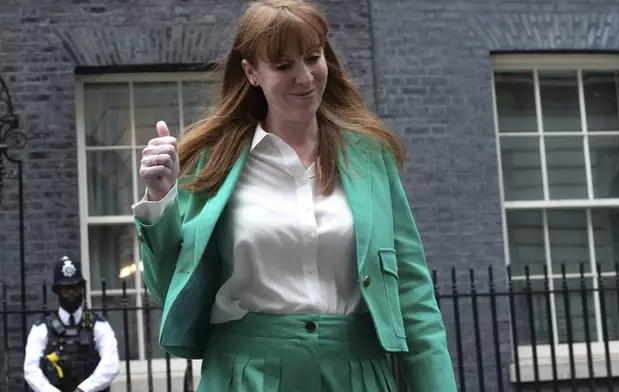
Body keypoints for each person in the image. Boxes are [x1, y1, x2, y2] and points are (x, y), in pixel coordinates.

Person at [132, 0, 457, 390]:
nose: (304, 77)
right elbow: (170, 286)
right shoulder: (212, 162)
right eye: (284, 66)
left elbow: (413, 295)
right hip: (247, 376)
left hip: (355, 375)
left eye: (312, 57)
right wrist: (160, 197)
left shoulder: (371, 158)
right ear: (252, 73)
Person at [23, 256, 120, 392]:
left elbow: (111, 364)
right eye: (66, 288)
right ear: (57, 291)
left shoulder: (99, 325)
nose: (71, 292)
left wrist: (83, 389)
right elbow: (31, 369)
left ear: (82, 289)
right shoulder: (42, 328)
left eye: (75, 287)